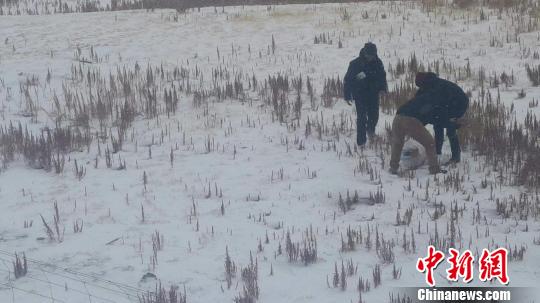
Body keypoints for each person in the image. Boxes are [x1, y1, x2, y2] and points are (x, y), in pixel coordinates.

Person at [414, 72, 469, 163]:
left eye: (421, 86)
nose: (420, 88)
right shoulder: (428, 85)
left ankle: (456, 156)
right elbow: (418, 100)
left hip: (459, 104)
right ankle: (437, 152)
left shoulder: (438, 87)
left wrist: (448, 120)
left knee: (450, 128)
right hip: (447, 104)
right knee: (437, 123)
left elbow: (440, 105)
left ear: (424, 82)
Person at [389, 92, 445, 175]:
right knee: (430, 143)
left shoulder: (419, 99)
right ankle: (434, 169)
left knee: (398, 144)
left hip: (397, 118)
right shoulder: (432, 102)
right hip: (410, 120)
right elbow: (429, 117)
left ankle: (393, 168)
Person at [343, 42, 387, 146]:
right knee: (362, 118)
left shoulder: (378, 62)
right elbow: (348, 80)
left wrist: (383, 88)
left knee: (374, 115)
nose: (370, 58)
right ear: (364, 53)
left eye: (372, 56)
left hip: (373, 94)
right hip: (360, 94)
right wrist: (347, 95)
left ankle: (371, 130)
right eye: (368, 55)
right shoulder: (355, 64)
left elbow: (382, 76)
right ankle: (361, 142)